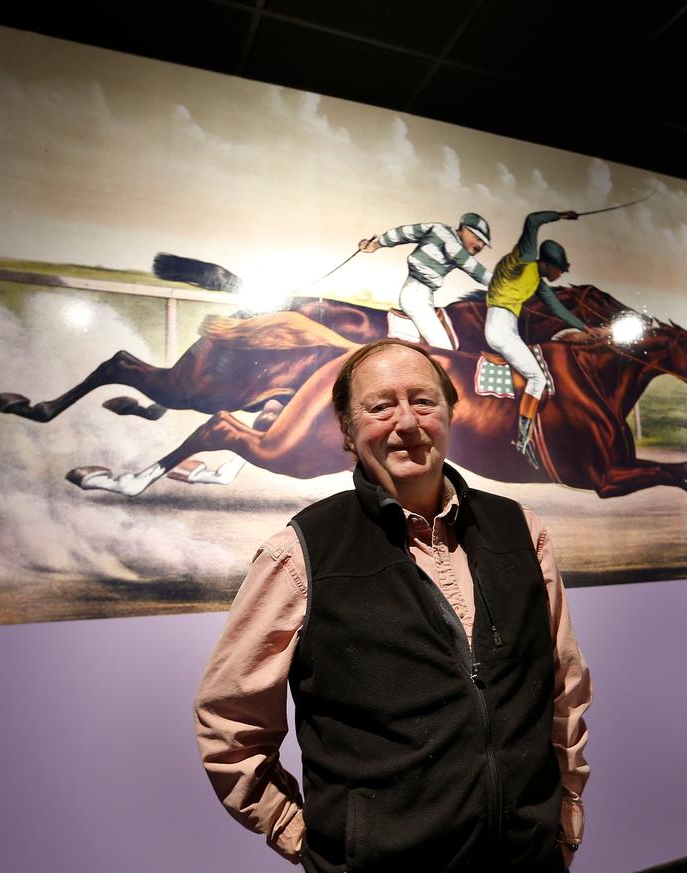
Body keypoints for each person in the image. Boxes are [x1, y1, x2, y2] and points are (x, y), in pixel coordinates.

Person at [194, 339, 591, 872]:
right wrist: (302, 834)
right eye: (381, 406)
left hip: (527, 860)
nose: (407, 422)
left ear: (451, 412)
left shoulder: (521, 531)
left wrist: (566, 810)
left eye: (424, 401)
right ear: (347, 427)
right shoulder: (301, 553)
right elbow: (229, 720)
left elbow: (565, 687)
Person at [485, 211, 593, 469]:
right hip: (500, 326)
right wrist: (562, 215)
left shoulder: (537, 282)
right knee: (538, 378)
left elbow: (557, 308)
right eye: (560, 270)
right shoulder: (524, 259)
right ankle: (523, 441)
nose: (560, 275)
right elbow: (532, 220)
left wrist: (586, 328)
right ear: (551, 264)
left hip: (506, 326)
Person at [358, 213, 493, 349]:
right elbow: (475, 270)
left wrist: (377, 244)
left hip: (421, 293)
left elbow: (404, 232)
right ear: (463, 229)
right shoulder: (451, 244)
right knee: (444, 348)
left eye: (483, 243)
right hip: (416, 294)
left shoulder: (438, 228)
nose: (479, 245)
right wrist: (503, 286)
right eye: (477, 238)